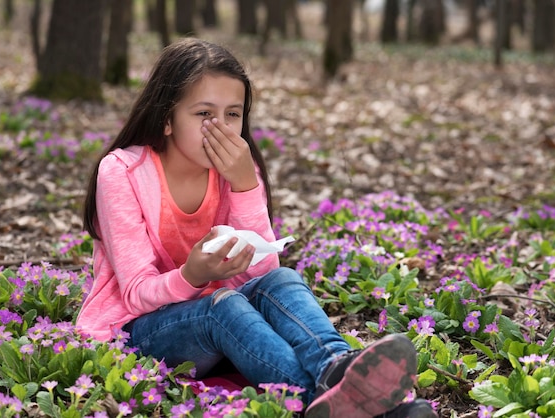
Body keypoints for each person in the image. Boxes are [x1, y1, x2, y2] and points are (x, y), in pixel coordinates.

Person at [76, 38, 436, 418]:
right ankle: (324, 402)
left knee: (281, 279)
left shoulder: (239, 170)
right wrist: (191, 276)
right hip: (144, 331)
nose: (221, 128)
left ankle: (335, 369)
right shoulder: (122, 172)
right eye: (203, 113)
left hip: (230, 329)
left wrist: (247, 186)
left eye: (233, 114)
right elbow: (133, 295)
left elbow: (261, 273)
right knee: (223, 304)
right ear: (166, 118)